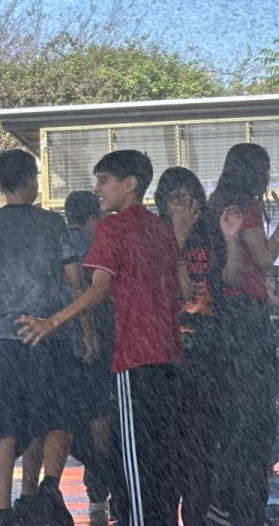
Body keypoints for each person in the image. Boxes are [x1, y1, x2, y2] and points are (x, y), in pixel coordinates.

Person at [18, 150, 183, 526]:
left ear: (131, 185)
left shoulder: (113, 227)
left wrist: (52, 322)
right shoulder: (161, 228)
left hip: (134, 357)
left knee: (135, 461)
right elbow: (179, 291)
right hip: (169, 357)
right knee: (161, 455)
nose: (97, 189)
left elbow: (97, 289)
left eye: (104, 180)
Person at [0, 149, 85, 526]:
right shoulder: (52, 223)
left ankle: (1, 510)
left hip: (4, 340)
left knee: (3, 425)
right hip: (50, 334)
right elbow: (75, 280)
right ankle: (45, 489)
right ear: (33, 180)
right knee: (55, 417)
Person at [205, 143, 275, 526]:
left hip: (226, 318)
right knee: (254, 416)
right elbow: (263, 258)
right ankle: (242, 501)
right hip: (244, 319)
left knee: (234, 416)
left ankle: (226, 499)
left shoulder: (220, 203)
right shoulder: (243, 207)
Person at [154, 167, 224, 525]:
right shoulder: (156, 235)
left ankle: (196, 514)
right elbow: (164, 289)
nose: (186, 205)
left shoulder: (213, 236)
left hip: (206, 353)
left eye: (191, 198)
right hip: (165, 355)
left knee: (200, 447)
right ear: (163, 203)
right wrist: (178, 239)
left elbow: (228, 282)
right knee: (167, 448)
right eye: (177, 199)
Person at [61, 190, 120, 526]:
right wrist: (91, 336)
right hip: (92, 346)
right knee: (100, 417)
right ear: (91, 219)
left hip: (62, 345)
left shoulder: (58, 240)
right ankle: (101, 488)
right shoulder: (89, 247)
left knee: (75, 419)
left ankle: (95, 489)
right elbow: (86, 292)